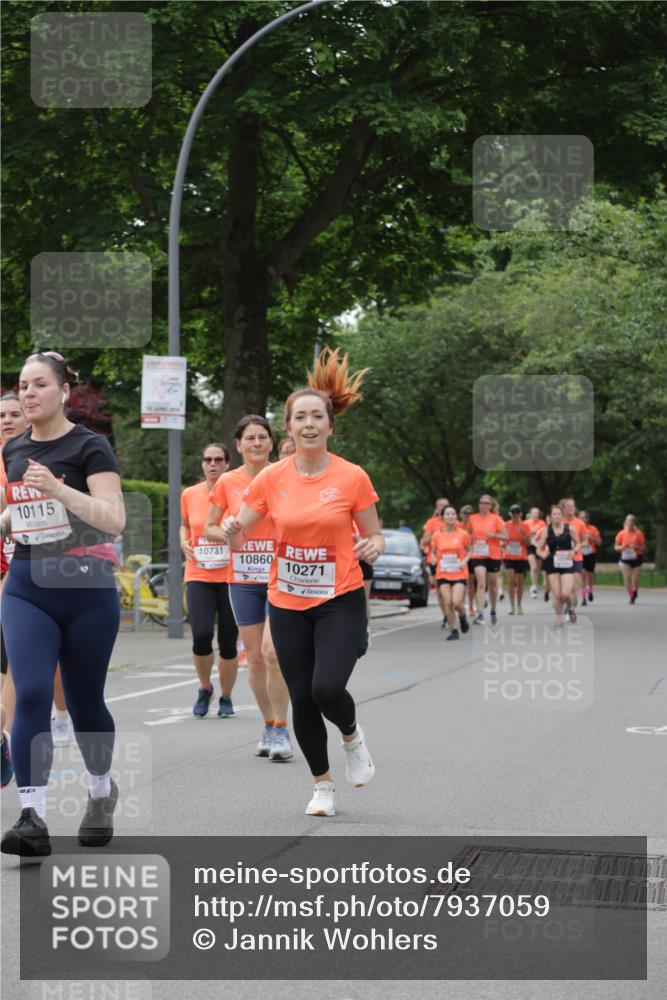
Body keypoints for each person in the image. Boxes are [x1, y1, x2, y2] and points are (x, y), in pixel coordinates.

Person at [220, 348, 383, 818]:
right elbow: (242, 526)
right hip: (287, 601)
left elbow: (372, 534)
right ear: (288, 427)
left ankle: (352, 737)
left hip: (339, 598)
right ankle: (322, 785)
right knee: (301, 695)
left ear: (330, 426)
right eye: (300, 417)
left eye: (317, 416)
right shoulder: (271, 478)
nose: (309, 424)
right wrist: (233, 530)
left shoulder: (351, 477)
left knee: (327, 688)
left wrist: (373, 545)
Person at [1, 352, 125, 856]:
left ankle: (100, 790)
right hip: (27, 584)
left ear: (64, 392)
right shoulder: (13, 450)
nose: (28, 394)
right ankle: (33, 816)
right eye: (22, 386)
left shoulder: (89, 446)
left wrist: (59, 489)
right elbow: (16, 513)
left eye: (39, 385)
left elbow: (113, 519)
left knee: (83, 703)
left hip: (85, 588)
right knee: (30, 693)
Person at [205, 416, 292, 760]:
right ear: (238, 446)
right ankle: (269, 723)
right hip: (242, 579)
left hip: (281, 577)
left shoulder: (287, 475)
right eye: (250, 439)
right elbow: (209, 527)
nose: (257, 443)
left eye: (262, 437)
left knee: (273, 653)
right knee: (254, 659)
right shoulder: (227, 482)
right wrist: (225, 529)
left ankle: (283, 731)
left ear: (271, 442)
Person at [180, 443, 239, 719]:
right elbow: (185, 524)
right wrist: (183, 542)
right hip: (199, 575)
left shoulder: (238, 492)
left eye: (218, 459)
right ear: (202, 464)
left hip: (231, 576)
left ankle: (226, 697)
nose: (212, 464)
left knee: (228, 641)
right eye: (207, 459)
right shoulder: (190, 494)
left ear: (227, 463)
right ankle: (205, 687)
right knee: (201, 634)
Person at [430, 506, 470, 640]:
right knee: (447, 602)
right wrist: (434, 558)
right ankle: (454, 630)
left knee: (456, 602)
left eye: (453, 513)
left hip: (459, 572)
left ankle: (463, 616)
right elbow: (433, 551)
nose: (451, 516)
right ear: (443, 517)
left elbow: (470, 550)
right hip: (443, 572)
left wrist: (464, 561)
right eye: (447, 514)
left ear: (456, 516)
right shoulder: (437, 535)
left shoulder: (463, 534)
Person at [466, 494, 507, 625]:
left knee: (493, 586)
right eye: (481, 503)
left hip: (493, 555)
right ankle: (480, 614)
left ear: (491, 506)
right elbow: (467, 534)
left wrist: (493, 535)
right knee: (481, 583)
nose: (483, 505)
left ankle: (493, 610)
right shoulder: (472, 518)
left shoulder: (497, 519)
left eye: (486, 503)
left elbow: (506, 536)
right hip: (477, 555)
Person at [536, 505, 580, 626]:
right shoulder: (546, 531)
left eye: (559, 514)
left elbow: (578, 544)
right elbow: (538, 549)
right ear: (550, 516)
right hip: (552, 563)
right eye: (554, 514)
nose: (557, 516)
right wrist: (543, 553)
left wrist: (574, 551)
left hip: (566, 562)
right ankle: (559, 618)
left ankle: (570, 608)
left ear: (562, 516)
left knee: (565, 593)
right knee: (557, 593)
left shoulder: (569, 529)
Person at [420, 499, 447, 626]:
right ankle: (446, 615)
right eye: (440, 506)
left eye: (445, 506)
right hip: (435, 560)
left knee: (451, 591)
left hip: (451, 561)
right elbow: (424, 542)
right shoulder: (432, 522)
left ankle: (451, 611)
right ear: (437, 508)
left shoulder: (454, 522)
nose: (443, 508)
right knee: (440, 592)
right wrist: (436, 534)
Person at [560, 498, 588, 609]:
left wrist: (577, 548)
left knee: (575, 582)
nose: (570, 508)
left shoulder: (580, 523)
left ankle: (572, 602)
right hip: (562, 558)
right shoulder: (559, 522)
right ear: (563, 508)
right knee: (567, 585)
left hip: (576, 556)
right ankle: (569, 605)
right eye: (568, 506)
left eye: (572, 506)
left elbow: (585, 541)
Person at [503, 505, 531, 615]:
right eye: (513, 513)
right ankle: (511, 605)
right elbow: (501, 538)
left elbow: (528, 543)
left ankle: (519, 604)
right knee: (511, 580)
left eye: (517, 513)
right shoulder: (505, 525)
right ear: (510, 514)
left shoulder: (525, 526)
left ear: (520, 514)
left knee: (519, 582)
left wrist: (524, 536)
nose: (515, 515)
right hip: (509, 556)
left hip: (521, 557)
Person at [614, 514, 646, 604]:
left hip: (636, 557)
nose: (630, 522)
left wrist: (637, 547)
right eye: (629, 520)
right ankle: (631, 595)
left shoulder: (639, 534)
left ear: (634, 522)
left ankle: (635, 590)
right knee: (627, 577)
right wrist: (622, 547)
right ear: (626, 522)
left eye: (632, 520)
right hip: (625, 558)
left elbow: (644, 547)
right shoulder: (621, 533)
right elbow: (615, 547)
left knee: (635, 578)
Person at [579, 510, 602, 605]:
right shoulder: (576, 528)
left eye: (586, 517)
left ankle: (590, 590)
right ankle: (583, 598)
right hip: (580, 554)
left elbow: (600, 542)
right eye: (582, 518)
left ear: (588, 519)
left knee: (590, 574)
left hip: (591, 553)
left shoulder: (593, 528)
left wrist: (592, 538)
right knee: (582, 575)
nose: (584, 519)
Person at [524, 506, 547, 598]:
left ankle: (535, 585)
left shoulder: (542, 523)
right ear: (530, 514)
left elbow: (544, 534)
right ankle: (533, 587)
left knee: (537, 568)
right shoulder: (526, 523)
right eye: (533, 513)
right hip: (530, 546)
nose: (535, 515)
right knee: (533, 567)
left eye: (537, 513)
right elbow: (525, 536)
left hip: (539, 546)